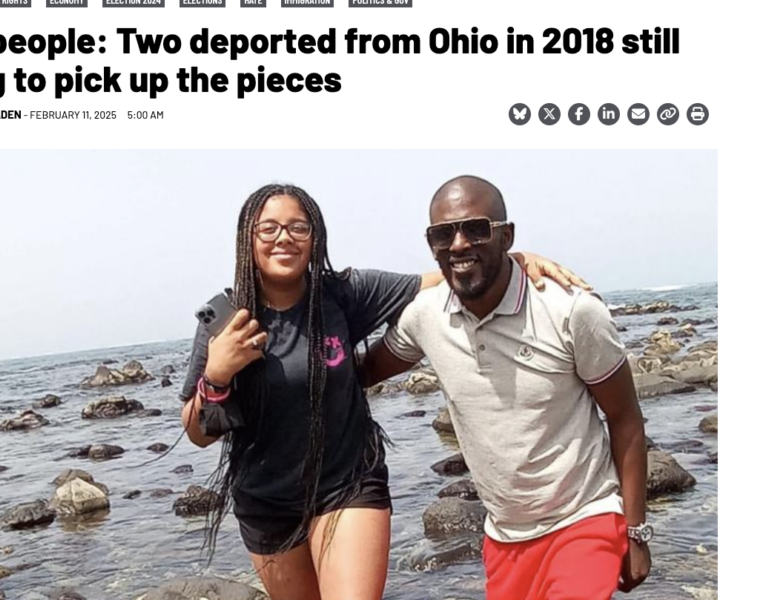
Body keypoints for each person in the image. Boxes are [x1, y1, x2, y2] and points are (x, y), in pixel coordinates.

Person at [179, 183, 586, 600]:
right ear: (248, 239)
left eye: (298, 228)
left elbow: (441, 281)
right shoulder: (227, 322)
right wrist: (218, 374)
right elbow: (197, 434)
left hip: (348, 484)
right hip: (265, 502)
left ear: (315, 239)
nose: (284, 238)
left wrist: (510, 260)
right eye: (269, 229)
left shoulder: (343, 293)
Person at [360, 175, 651, 600]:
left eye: (476, 228)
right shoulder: (426, 316)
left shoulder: (569, 310)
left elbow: (626, 419)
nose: (458, 244)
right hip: (505, 537)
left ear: (506, 235)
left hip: (584, 520)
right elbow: (358, 374)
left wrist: (636, 532)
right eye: (443, 234)